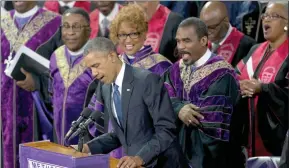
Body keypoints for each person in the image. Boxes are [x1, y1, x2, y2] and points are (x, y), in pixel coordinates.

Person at [82, 37, 189, 168]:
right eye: (90, 69)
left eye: (96, 66)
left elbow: (166, 129)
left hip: (163, 163)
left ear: (111, 56)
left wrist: (140, 158)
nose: (93, 73)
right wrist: (88, 147)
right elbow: (120, 134)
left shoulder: (147, 81)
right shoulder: (106, 87)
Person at [162, 17, 241, 168]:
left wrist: (179, 108)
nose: (181, 47)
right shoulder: (175, 70)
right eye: (178, 41)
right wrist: (179, 109)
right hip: (178, 158)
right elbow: (163, 97)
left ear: (204, 40)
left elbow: (209, 124)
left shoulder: (221, 74)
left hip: (210, 161)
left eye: (187, 41)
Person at [1, 1, 62, 168]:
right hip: (5, 115)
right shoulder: (3, 21)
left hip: (39, 112)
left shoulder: (56, 23)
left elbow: (66, 74)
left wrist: (39, 83)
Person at [236, 2, 288, 157]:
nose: (266, 20)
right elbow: (236, 73)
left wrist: (263, 88)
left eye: (274, 16)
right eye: (265, 15)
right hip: (249, 134)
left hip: (277, 141)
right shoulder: (255, 50)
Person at [49, 8, 97, 145]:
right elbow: (50, 93)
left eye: (76, 27)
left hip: (88, 136)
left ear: (88, 30)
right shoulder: (56, 56)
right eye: (66, 26)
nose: (70, 32)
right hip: (59, 131)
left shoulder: (97, 57)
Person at [110, 4, 172, 75]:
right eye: (123, 35)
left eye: (133, 34)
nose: (128, 40)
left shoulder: (161, 66)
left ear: (144, 34)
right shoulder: (115, 64)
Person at [200, 1, 256, 67]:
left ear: (226, 21)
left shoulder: (248, 47)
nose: (206, 32)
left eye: (212, 27)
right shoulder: (200, 44)